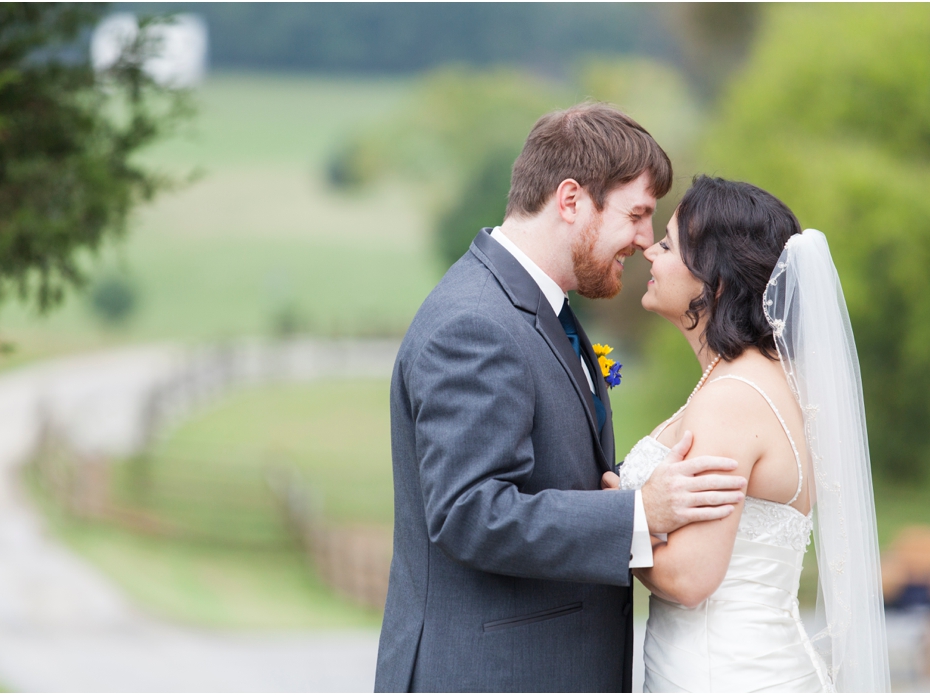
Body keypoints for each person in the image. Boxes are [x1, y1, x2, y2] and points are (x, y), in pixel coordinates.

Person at [374, 104, 748, 693]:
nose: (646, 240)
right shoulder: (475, 324)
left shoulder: (538, 309)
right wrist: (639, 513)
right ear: (571, 200)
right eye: (637, 214)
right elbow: (470, 512)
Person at [611, 175, 889, 692]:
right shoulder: (770, 378)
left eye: (668, 244)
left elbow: (692, 579)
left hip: (724, 673)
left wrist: (618, 520)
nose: (649, 251)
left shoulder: (732, 399)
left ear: (712, 279)